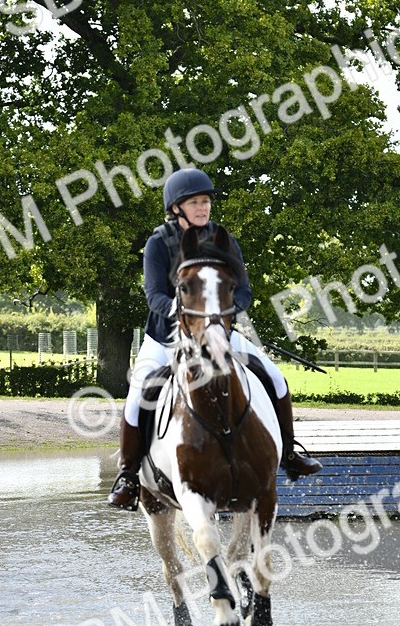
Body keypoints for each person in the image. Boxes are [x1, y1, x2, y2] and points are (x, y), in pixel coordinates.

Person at [107, 167, 322, 509]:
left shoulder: (223, 240)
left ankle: (290, 453)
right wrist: (184, 311)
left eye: (205, 201)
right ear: (176, 207)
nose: (203, 208)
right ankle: (129, 475)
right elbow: (154, 296)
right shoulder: (158, 244)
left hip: (220, 333)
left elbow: (244, 292)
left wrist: (224, 316)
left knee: (276, 378)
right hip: (167, 338)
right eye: (195, 202)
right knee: (139, 394)